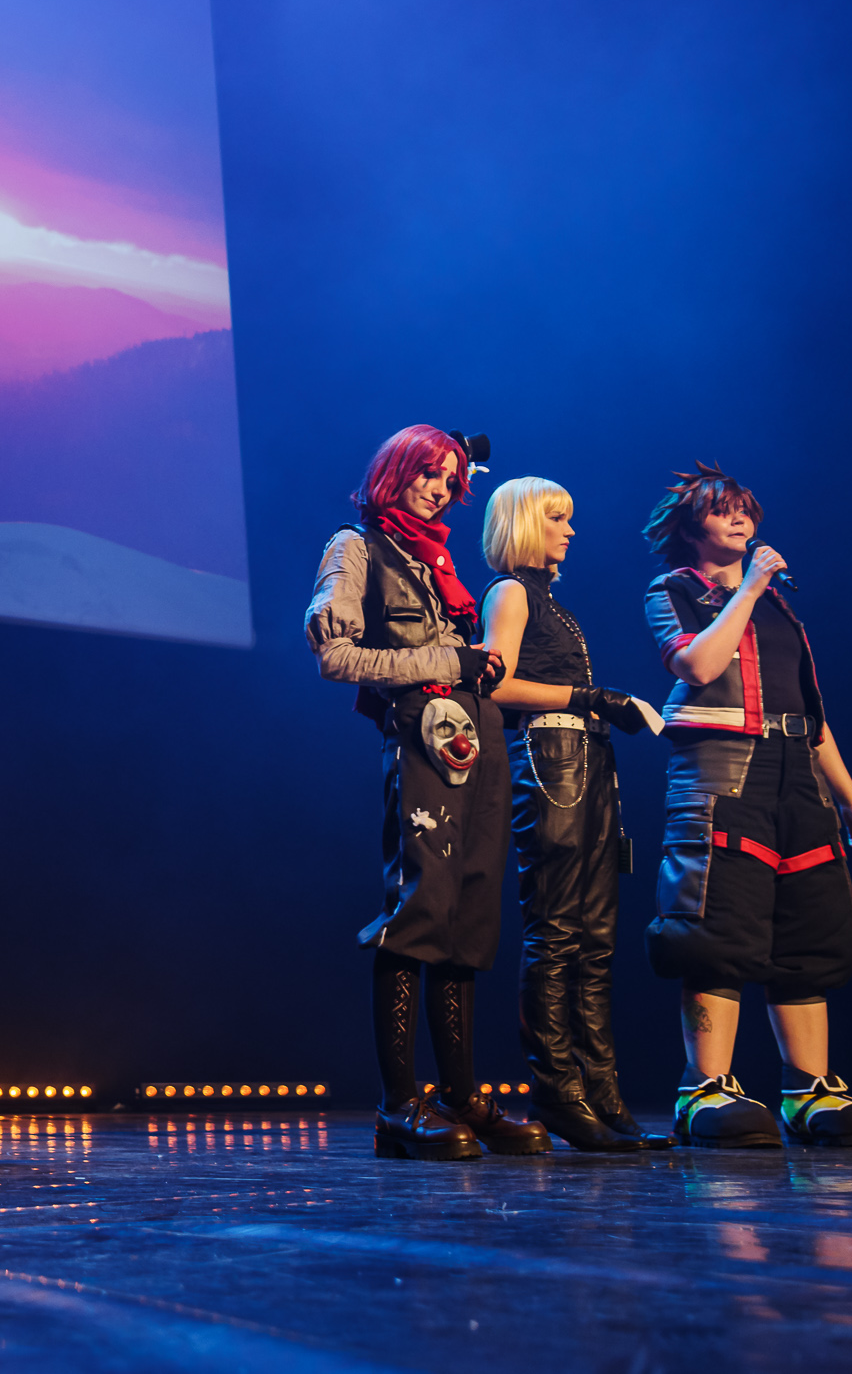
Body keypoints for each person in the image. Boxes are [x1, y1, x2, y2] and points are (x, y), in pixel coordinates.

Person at [306, 425, 548, 1161]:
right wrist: (446, 659)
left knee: (467, 917)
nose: (440, 489)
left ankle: (462, 1095)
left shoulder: (434, 558)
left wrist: (473, 666)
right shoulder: (356, 546)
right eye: (429, 473)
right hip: (420, 741)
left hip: (476, 739)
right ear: (396, 470)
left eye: (451, 479)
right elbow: (334, 654)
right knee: (417, 910)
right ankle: (398, 1105)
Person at [641, 463, 852, 1148]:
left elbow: (813, 717)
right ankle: (703, 1088)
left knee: (808, 927)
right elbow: (698, 666)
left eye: (746, 509)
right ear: (690, 526)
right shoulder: (674, 590)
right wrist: (750, 587)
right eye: (722, 509)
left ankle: (809, 1090)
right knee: (715, 925)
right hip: (723, 776)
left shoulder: (780, 608)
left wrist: (850, 800)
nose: (740, 519)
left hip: (797, 778)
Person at [477, 477, 664, 1152]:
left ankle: (602, 1094)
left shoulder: (549, 601)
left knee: (594, 937)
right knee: (557, 931)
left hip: (585, 760)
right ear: (526, 522)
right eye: (558, 517)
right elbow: (494, 684)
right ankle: (560, 1092)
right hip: (549, 759)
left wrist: (596, 706)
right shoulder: (510, 592)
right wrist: (590, 697)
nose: (570, 529)